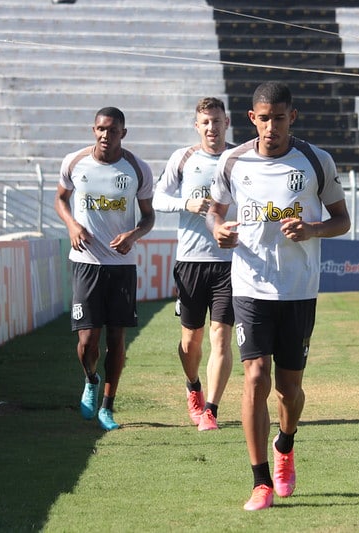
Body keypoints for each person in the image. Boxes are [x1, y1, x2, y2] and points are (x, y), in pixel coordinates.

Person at [207, 81, 351, 510]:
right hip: (249, 286)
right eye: (265, 119)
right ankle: (260, 482)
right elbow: (215, 210)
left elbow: (341, 220)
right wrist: (218, 229)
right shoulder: (233, 161)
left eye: (280, 118)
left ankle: (285, 443)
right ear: (252, 118)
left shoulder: (315, 161)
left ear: (293, 117)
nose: (272, 127)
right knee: (255, 378)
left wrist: (312, 229)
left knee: (289, 390)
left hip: (298, 290)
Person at [55, 106, 156, 431]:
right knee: (88, 340)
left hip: (122, 265)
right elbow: (60, 199)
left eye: (112, 130)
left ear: (123, 133)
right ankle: (91, 379)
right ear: (93, 130)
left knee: (116, 337)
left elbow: (149, 216)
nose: (105, 135)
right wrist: (72, 225)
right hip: (86, 263)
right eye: (101, 129)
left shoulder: (137, 169)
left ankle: (108, 407)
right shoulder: (74, 162)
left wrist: (134, 235)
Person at [153, 97, 235, 431]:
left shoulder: (241, 158)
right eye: (205, 122)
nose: (212, 127)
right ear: (197, 126)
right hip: (190, 261)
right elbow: (158, 198)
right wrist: (186, 203)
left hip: (230, 262)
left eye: (217, 121)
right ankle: (193, 386)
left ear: (227, 123)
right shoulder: (183, 158)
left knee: (221, 336)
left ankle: (211, 410)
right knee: (191, 341)